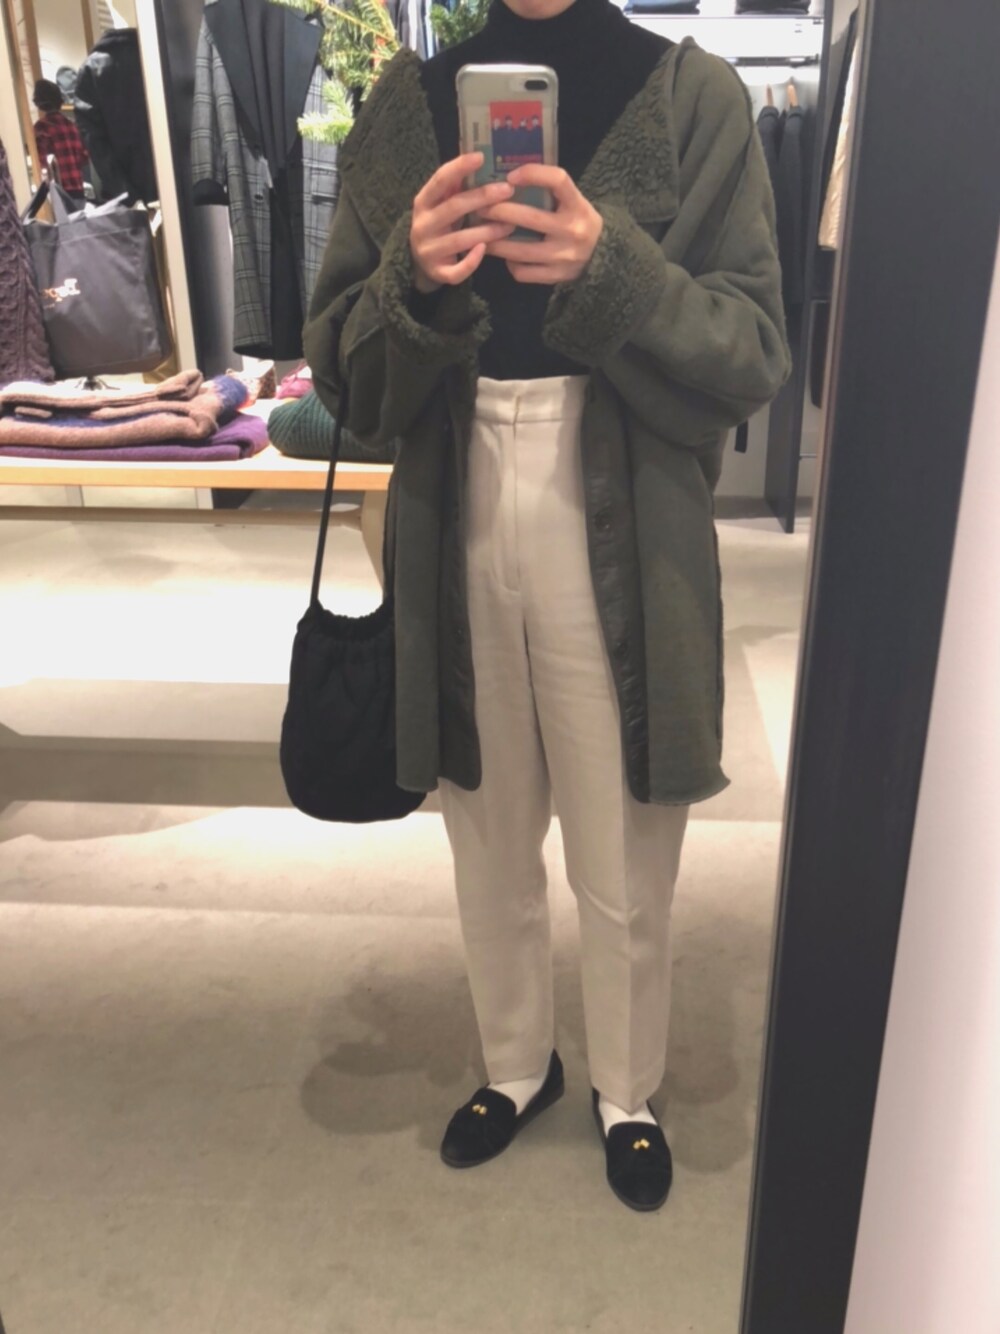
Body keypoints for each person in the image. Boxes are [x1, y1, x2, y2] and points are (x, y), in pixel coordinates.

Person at [306, 0, 789, 1212]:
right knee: (484, 819)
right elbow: (342, 375)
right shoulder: (407, 107)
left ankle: (628, 1087)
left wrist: (609, 268)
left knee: (623, 832)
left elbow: (752, 350)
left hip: (620, 494)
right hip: (450, 498)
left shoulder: (692, 98)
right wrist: (411, 280)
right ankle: (516, 1062)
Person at [32, 79, 89, 205]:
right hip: (78, 189)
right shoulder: (73, 126)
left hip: (58, 192)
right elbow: (84, 157)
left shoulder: (41, 128)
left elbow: (41, 162)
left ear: (38, 102)